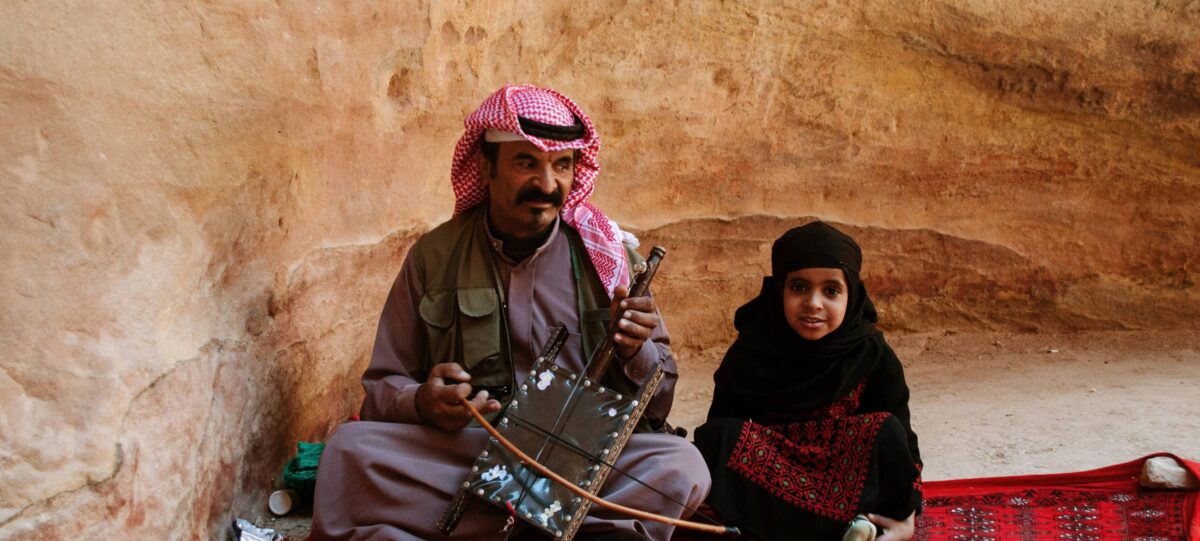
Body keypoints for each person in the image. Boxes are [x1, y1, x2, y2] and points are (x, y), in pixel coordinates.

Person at [309, 84, 710, 541]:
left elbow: (659, 405)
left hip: (582, 460)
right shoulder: (434, 257)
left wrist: (637, 354)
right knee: (348, 451)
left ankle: (486, 526)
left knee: (680, 464)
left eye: (562, 165)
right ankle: (559, 528)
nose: (546, 184)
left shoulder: (613, 261)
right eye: (526, 163)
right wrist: (424, 401)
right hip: (469, 451)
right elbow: (382, 388)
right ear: (485, 165)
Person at [693, 221, 923, 541]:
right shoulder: (752, 351)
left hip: (845, 480)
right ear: (779, 291)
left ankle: (855, 525)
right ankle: (842, 530)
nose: (813, 303)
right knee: (719, 436)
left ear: (852, 293)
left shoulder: (871, 353)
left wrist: (906, 521)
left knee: (888, 431)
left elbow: (904, 448)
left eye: (831, 290)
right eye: (799, 287)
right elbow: (723, 429)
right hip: (774, 481)